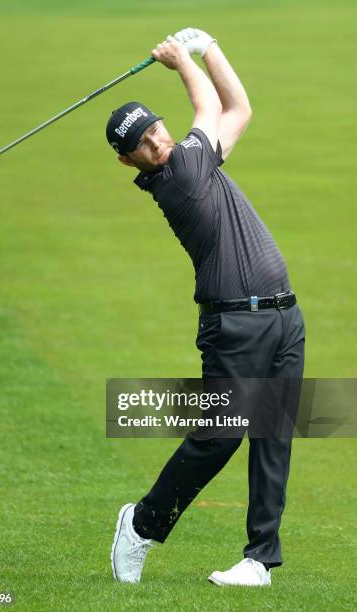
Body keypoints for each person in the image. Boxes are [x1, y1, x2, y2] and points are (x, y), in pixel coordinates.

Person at [106, 28, 305, 587]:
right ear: (129, 162)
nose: (156, 142)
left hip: (284, 317)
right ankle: (141, 524)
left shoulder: (197, 159)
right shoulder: (178, 179)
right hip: (234, 324)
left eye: (156, 129)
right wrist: (181, 60)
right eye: (142, 144)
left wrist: (211, 47)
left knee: (274, 436)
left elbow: (238, 108)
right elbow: (209, 103)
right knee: (220, 436)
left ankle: (259, 561)